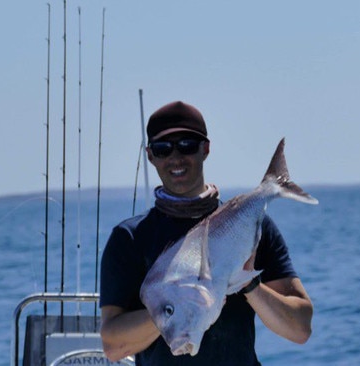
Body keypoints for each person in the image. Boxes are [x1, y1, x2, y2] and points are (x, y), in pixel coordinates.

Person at [99, 101, 313, 365]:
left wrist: (248, 284)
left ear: (206, 149)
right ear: (151, 156)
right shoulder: (129, 238)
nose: (175, 158)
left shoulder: (252, 227)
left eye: (187, 145)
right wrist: (172, 308)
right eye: (163, 149)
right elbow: (113, 345)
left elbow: (301, 329)